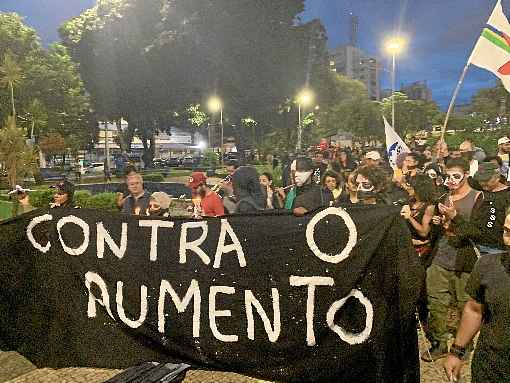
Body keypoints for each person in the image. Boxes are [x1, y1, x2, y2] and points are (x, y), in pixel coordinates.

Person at [422, 158, 481, 361]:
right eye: (448, 176)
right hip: (441, 257)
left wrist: (455, 216)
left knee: (464, 303)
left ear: (466, 174)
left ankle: (463, 344)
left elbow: (477, 233)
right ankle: (439, 344)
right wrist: (439, 222)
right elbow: (441, 228)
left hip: (465, 261)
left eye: (456, 176)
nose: (452, 180)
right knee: (436, 302)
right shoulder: (444, 196)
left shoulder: (478, 198)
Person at [444, 207, 510, 382]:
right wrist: (457, 352)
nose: (508, 242)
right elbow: (474, 309)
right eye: (507, 232)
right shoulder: (487, 265)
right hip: (490, 367)